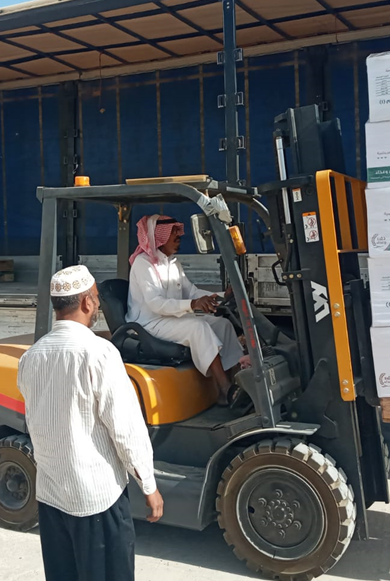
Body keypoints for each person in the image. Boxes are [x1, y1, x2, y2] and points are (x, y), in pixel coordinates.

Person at [18, 265, 164, 581]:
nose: (97, 304)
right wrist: (148, 485)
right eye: (96, 297)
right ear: (87, 302)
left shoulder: (32, 356)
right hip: (97, 498)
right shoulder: (99, 353)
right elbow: (125, 428)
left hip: (52, 496)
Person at [126, 215, 249, 404]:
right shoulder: (144, 264)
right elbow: (156, 304)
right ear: (158, 236)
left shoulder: (173, 264)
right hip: (149, 323)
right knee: (198, 327)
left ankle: (236, 384)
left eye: (178, 233)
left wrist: (222, 295)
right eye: (173, 233)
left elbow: (191, 292)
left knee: (223, 324)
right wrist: (192, 304)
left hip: (170, 319)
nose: (179, 237)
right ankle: (225, 389)